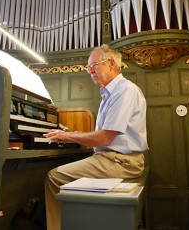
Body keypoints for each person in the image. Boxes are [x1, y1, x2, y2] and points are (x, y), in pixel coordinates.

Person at [44, 44, 148, 230]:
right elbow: (104, 135)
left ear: (110, 63)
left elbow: (105, 138)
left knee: (55, 176)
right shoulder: (110, 93)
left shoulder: (124, 91)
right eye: (88, 67)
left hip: (121, 162)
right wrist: (72, 135)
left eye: (93, 65)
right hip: (112, 158)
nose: (89, 71)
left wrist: (67, 136)